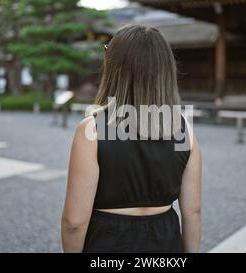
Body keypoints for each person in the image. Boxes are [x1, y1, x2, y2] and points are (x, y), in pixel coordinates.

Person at [61, 24, 202, 253]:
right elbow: (193, 211)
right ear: (165, 71)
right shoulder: (183, 130)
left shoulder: (92, 130)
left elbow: (74, 224)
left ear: (114, 68)